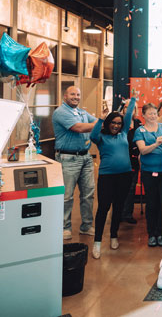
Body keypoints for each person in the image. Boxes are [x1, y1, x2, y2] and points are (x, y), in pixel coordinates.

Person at [89, 98, 136, 259]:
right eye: (113, 123)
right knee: (103, 208)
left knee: (118, 207)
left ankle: (114, 235)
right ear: (108, 123)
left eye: (119, 123)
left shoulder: (123, 133)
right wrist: (101, 119)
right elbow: (93, 135)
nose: (116, 125)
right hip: (107, 177)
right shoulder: (101, 137)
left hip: (125, 176)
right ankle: (97, 243)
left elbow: (128, 114)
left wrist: (133, 99)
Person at [52, 86, 99, 240]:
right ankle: (64, 228)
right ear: (65, 96)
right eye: (73, 94)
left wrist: (105, 120)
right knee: (67, 196)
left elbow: (96, 121)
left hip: (86, 157)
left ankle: (86, 226)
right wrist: (101, 124)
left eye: (78, 94)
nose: (76, 97)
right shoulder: (61, 112)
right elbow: (79, 128)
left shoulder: (82, 112)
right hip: (68, 158)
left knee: (88, 194)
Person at [133, 103, 162, 247]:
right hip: (149, 172)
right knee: (152, 203)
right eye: (149, 114)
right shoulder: (140, 131)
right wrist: (156, 144)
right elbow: (142, 150)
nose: (153, 116)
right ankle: (152, 233)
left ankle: (160, 233)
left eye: (155, 113)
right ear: (143, 115)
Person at [121, 102, 143, 224]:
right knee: (119, 188)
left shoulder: (138, 123)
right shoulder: (119, 122)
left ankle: (128, 214)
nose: (129, 110)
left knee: (131, 187)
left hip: (134, 160)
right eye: (126, 107)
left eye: (132, 108)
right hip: (120, 159)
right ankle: (118, 214)